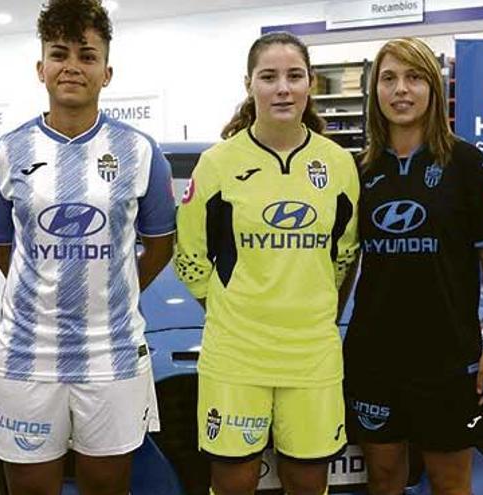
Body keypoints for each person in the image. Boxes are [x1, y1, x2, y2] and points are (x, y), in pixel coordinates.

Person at [0, 0, 176, 493]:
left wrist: (112, 290)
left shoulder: (140, 152)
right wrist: (43, 290)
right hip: (26, 354)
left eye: (87, 56)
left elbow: (159, 247)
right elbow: (4, 249)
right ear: (40, 68)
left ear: (106, 72)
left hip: (113, 354)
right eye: (59, 53)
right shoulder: (7, 152)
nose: (72, 66)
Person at [173, 32, 360, 495]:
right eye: (269, 77)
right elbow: (189, 254)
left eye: (294, 76)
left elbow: (344, 254)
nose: (282, 89)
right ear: (249, 84)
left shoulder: (338, 164)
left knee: (308, 483)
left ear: (310, 83)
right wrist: (227, 307)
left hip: (312, 354)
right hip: (236, 354)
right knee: (234, 483)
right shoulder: (217, 163)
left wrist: (314, 309)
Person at [342, 37, 483, 495]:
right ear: (375, 91)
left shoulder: (468, 163)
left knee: (450, 482)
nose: (401, 89)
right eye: (389, 78)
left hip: (447, 357)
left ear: (433, 89)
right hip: (373, 355)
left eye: (414, 77)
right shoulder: (358, 170)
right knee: (383, 478)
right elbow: (345, 261)